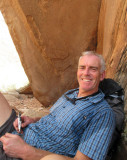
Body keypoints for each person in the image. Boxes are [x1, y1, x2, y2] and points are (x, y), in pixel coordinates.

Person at [0, 51, 115, 160]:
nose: (86, 73)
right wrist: (33, 119)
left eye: (93, 69)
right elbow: (53, 118)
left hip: (26, 154)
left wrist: (24, 151)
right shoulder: (70, 94)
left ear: (101, 75)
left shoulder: (103, 113)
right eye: (82, 67)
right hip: (16, 133)